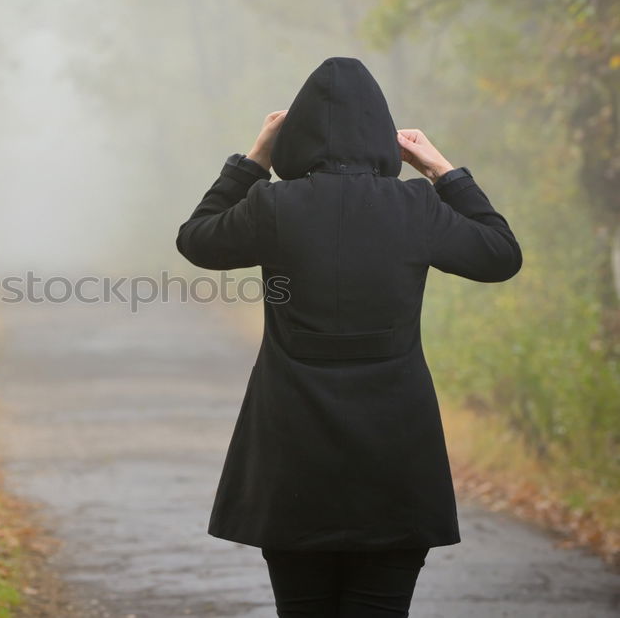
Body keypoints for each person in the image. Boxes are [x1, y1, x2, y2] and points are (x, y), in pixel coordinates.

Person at [175, 56, 523, 617]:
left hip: (291, 455)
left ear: (296, 135)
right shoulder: (416, 206)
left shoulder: (272, 206)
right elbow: (501, 256)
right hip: (396, 456)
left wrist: (253, 160)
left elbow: (196, 240)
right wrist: (442, 170)